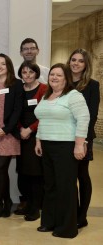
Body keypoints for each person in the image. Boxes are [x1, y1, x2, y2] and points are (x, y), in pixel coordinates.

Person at [35, 63, 89, 238]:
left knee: (65, 187)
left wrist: (79, 145)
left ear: (66, 78)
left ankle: (67, 228)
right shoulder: (46, 96)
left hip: (66, 146)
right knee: (50, 186)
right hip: (47, 145)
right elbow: (43, 119)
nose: (54, 78)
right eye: (52, 75)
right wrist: (38, 141)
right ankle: (49, 222)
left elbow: (83, 119)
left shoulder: (73, 96)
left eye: (59, 75)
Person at [0, 53, 23, 219]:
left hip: (8, 133)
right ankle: (5, 201)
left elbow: (17, 110)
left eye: (2, 64)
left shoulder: (16, 84)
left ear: (8, 66)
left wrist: (6, 129)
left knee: (1, 167)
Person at [67, 49, 100, 229]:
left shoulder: (92, 85)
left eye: (80, 61)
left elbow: (92, 115)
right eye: (73, 60)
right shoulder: (63, 82)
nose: (76, 63)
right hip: (64, 137)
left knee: (82, 175)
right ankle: (72, 211)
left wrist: (83, 141)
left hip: (83, 137)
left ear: (86, 64)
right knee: (69, 177)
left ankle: (83, 215)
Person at [15, 61, 47, 221]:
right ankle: (26, 203)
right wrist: (21, 129)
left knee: (35, 173)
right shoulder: (19, 89)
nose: (27, 75)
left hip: (37, 136)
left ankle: (35, 208)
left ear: (36, 73)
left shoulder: (43, 89)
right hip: (21, 135)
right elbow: (16, 112)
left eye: (31, 72)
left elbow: (45, 114)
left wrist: (30, 129)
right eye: (24, 72)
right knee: (23, 172)